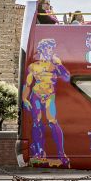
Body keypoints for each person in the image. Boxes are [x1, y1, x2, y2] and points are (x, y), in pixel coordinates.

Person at [22, 38, 70, 166]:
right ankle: (39, 152)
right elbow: (28, 84)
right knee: (37, 123)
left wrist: (59, 64)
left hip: (50, 96)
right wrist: (24, 98)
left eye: (51, 48)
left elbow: (67, 78)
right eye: (49, 47)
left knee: (52, 122)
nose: (51, 50)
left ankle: (61, 153)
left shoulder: (54, 64)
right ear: (42, 48)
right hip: (36, 96)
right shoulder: (33, 66)